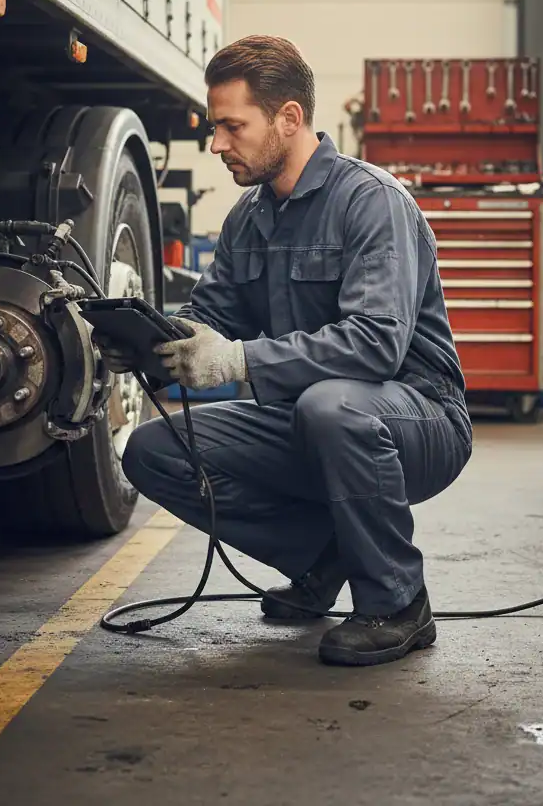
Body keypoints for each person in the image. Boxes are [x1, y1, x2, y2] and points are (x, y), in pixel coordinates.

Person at [97, 35, 472, 667]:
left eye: (231, 126)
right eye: (215, 127)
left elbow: (377, 345)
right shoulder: (250, 218)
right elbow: (209, 319)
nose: (217, 144)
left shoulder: (371, 201)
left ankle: (399, 601)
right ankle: (325, 557)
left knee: (331, 408)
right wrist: (147, 343)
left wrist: (237, 361)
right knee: (152, 451)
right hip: (304, 419)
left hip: (416, 419)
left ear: (289, 118)